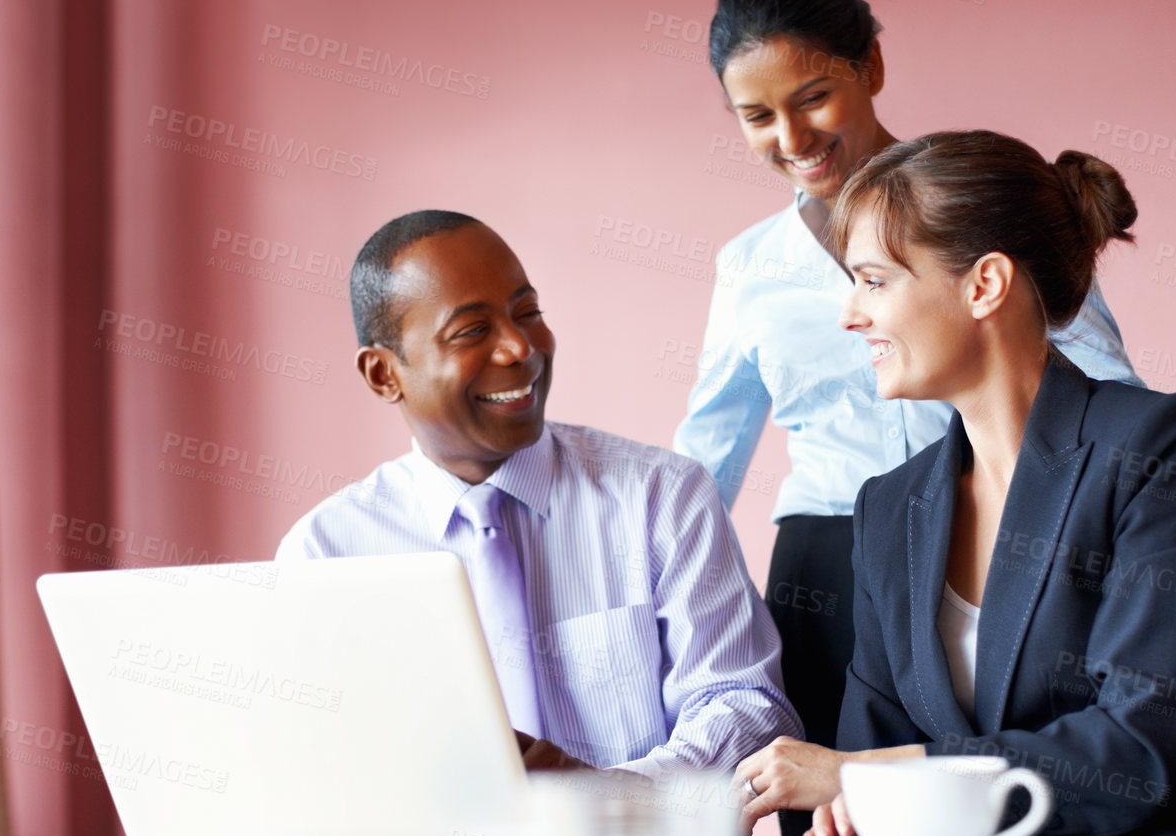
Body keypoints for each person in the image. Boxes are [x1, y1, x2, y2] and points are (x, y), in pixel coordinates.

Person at [677, 0, 1176, 833]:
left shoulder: (989, 217)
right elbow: (704, 458)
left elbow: (1119, 420)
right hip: (857, 548)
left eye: (872, 281)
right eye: (756, 116)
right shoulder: (760, 287)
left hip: (1056, 560)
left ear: (869, 66)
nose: (789, 137)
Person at [741, 132, 1176, 836]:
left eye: (873, 282)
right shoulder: (889, 508)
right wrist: (858, 808)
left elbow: (1143, 750)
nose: (850, 314)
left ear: (984, 285)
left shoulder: (1156, 447)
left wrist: (877, 778)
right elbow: (872, 771)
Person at [277, 210, 802, 777]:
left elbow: (746, 705)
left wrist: (619, 799)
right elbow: (308, 756)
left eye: (527, 313)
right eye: (473, 331)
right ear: (384, 375)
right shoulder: (326, 553)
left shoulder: (663, 496)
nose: (518, 348)